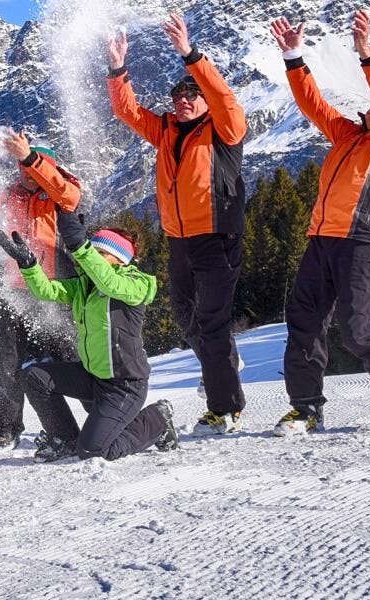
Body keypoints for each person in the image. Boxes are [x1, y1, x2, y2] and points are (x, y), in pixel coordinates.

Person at [268, 12, 370, 435]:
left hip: (365, 240)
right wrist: (292, 56)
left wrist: (367, 55)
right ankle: (305, 408)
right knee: (303, 324)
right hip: (322, 239)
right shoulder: (349, 135)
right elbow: (313, 104)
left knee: (358, 328)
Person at [107, 15, 249, 435]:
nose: (183, 99)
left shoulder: (224, 128)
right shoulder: (167, 130)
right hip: (179, 240)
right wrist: (118, 68)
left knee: (211, 322)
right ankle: (220, 359)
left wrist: (190, 55)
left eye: (191, 93)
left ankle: (224, 408)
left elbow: (224, 98)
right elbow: (127, 110)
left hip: (217, 238)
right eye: (177, 94)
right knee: (187, 318)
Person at [0, 214, 180, 462]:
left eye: (100, 254)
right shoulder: (85, 286)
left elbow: (111, 283)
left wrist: (82, 247)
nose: (92, 260)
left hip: (124, 385)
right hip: (93, 377)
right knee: (34, 377)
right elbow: (46, 290)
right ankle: (64, 438)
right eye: (93, 252)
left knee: (94, 451)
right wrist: (29, 265)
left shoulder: (136, 284)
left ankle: (156, 419)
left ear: (119, 260)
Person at [0, 131, 83, 449]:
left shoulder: (60, 193)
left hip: (54, 290)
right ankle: (7, 427)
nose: (25, 174)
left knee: (71, 357)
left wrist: (30, 157)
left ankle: (105, 412)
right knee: (7, 361)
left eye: (31, 168)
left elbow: (67, 194)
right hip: (13, 290)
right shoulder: (9, 195)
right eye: (21, 168)